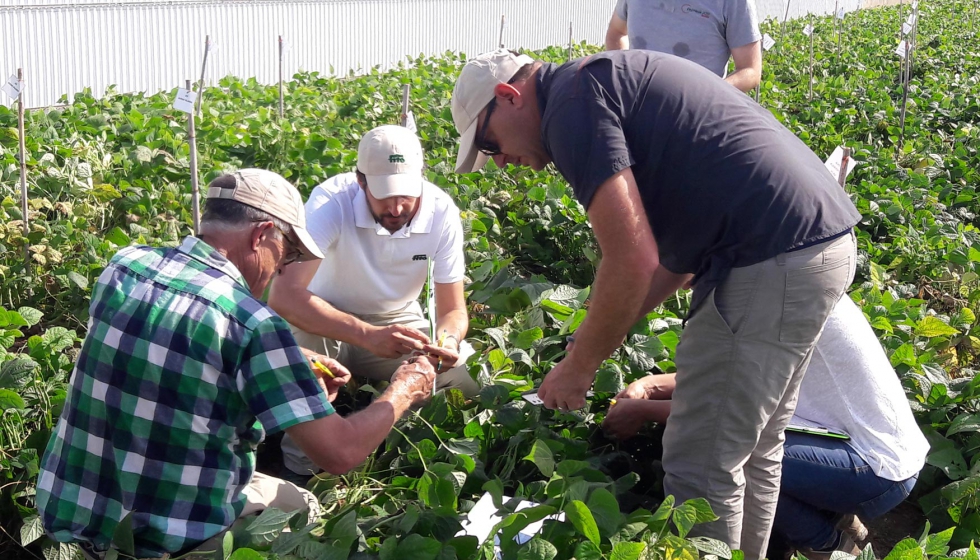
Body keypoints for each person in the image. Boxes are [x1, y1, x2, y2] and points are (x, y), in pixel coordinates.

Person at [450, 49, 861, 559]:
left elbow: (629, 258)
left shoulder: (570, 107)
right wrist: (593, 334)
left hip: (768, 258)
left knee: (701, 462)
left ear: (509, 96)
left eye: (488, 143)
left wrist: (580, 367)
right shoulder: (603, 81)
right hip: (817, 247)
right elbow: (673, 262)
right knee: (752, 449)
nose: (499, 160)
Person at [36, 169, 437, 560]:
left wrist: (290, 362)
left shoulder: (124, 266)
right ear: (261, 235)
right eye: (288, 253)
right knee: (302, 506)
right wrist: (405, 386)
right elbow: (340, 453)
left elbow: (170, 339)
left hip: (71, 519)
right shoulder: (252, 323)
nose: (282, 268)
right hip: (166, 542)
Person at [602, 296, 929, 559]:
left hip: (876, 468)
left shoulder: (776, 303)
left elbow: (726, 413)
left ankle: (829, 546)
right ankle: (837, 518)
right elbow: (725, 378)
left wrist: (642, 410)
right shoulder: (798, 282)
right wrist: (650, 385)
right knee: (750, 447)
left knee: (733, 455)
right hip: (869, 451)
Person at [269, 125, 480, 480]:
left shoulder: (441, 211)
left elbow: (453, 310)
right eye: (384, 195)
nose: (397, 207)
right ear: (360, 181)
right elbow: (286, 297)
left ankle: (388, 448)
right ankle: (300, 469)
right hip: (323, 317)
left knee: (467, 379)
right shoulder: (330, 203)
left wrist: (447, 342)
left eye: (406, 195)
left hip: (397, 321)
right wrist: (367, 335)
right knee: (306, 353)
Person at [604, 0, 762, 93]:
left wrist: (706, 98)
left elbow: (750, 70)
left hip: (697, 121)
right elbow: (616, 33)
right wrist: (623, 79)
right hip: (636, 111)